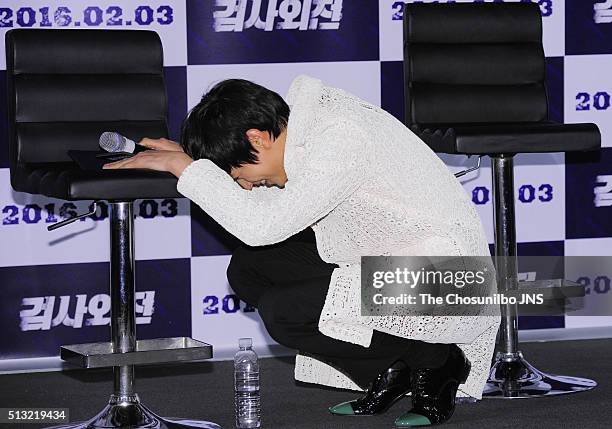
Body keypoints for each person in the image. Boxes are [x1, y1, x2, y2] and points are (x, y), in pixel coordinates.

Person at [103, 74, 501, 426]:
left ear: (255, 138)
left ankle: (438, 360)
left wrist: (188, 171)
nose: (244, 186)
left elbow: (262, 226)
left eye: (240, 175)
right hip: (391, 263)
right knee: (249, 269)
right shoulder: (306, 133)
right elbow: (270, 218)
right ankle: (394, 368)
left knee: (284, 312)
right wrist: (202, 162)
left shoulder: (341, 136)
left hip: (446, 280)